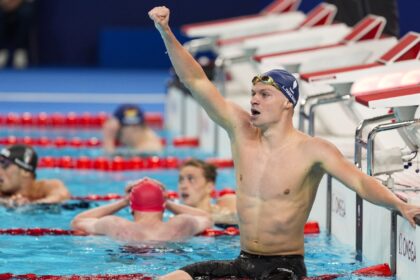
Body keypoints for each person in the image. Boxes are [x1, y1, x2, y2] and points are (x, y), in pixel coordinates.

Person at [148, 6, 420, 279]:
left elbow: (360, 182)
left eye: (265, 94)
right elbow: (195, 80)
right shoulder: (240, 131)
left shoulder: (312, 150)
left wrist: (400, 205)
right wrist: (166, 32)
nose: (254, 99)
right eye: (253, 93)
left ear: (287, 104)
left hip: (284, 268)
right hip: (242, 262)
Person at [71, 178, 213, 242]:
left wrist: (123, 201)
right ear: (163, 207)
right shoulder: (183, 222)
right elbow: (207, 218)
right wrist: (167, 201)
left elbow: (78, 221)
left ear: (131, 207)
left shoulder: (115, 224)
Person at [0, 144, 70, 206]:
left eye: (4, 163)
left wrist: (29, 205)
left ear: (25, 171)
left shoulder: (47, 187)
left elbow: (61, 197)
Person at [178, 158, 237, 226]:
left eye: (191, 179)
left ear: (209, 187)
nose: (183, 186)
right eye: (181, 180)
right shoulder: (177, 219)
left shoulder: (227, 206)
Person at [0, 0, 36, 69]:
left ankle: (20, 50)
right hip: (2, 6)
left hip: (22, 4)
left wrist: (14, 2)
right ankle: (1, 50)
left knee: (26, 13)